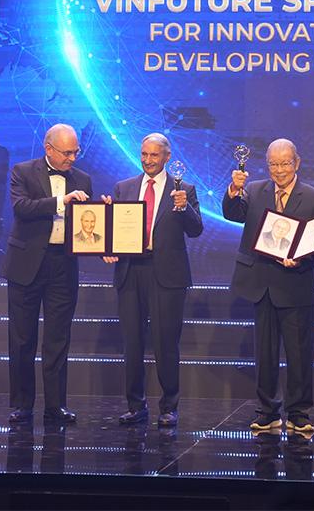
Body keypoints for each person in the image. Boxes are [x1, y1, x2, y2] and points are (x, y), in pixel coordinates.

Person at [223, 138, 314, 434]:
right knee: (265, 354)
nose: (279, 170)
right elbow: (233, 213)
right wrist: (234, 190)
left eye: (284, 163)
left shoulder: (313, 197)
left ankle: (298, 413)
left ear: (297, 163)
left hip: (295, 284)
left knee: (298, 354)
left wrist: (302, 259)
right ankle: (267, 411)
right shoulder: (254, 190)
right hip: (261, 284)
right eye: (273, 163)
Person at [103, 133, 203, 427]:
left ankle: (169, 407)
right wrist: (105, 248)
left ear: (167, 157)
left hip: (167, 277)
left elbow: (196, 230)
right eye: (144, 154)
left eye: (154, 155)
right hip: (130, 272)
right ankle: (136, 406)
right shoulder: (124, 188)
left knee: (165, 343)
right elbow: (112, 232)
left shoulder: (183, 189)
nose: (147, 160)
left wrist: (184, 207)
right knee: (132, 343)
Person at [1, 123, 91, 425]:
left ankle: (56, 405)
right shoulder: (23, 172)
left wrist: (106, 223)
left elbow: (87, 223)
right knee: (22, 339)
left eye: (75, 152)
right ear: (48, 148)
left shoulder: (82, 179)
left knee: (57, 339)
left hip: (63, 266)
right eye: (67, 152)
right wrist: (59, 202)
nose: (72, 158)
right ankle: (22, 404)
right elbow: (22, 208)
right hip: (26, 265)